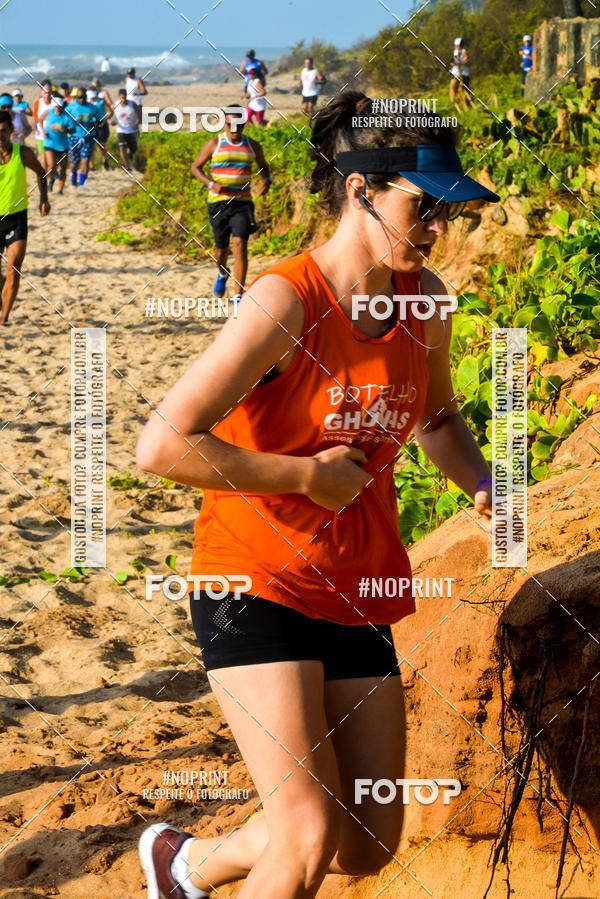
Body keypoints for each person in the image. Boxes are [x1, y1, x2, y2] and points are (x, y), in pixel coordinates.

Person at [136, 90, 498, 898]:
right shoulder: (285, 301)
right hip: (253, 578)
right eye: (423, 207)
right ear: (360, 189)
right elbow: (161, 443)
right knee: (306, 833)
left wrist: (482, 482)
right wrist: (305, 475)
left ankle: (184, 863)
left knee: (363, 841)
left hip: (356, 584)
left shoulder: (426, 303)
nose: (438, 229)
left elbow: (438, 419)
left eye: (447, 211)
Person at [190, 108, 271, 303]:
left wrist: (266, 180)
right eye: (230, 124)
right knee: (220, 251)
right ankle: (222, 273)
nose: (235, 128)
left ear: (244, 124)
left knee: (240, 244)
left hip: (242, 203)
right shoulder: (215, 143)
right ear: (224, 124)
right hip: (218, 204)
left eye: (239, 125)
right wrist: (211, 184)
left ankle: (237, 296)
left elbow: (263, 165)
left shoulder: (252, 145)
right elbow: (196, 167)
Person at [0, 110, 50, 325]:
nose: (0, 136)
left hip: (16, 219)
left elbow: (41, 172)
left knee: (13, 270)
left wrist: (43, 199)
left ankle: (4, 320)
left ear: (11, 131)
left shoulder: (23, 153)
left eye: (3, 131)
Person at [67, 87, 98, 187]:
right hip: (74, 137)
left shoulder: (93, 108)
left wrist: (93, 122)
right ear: (76, 97)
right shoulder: (70, 106)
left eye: (84, 97)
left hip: (88, 137)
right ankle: (73, 178)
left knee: (85, 161)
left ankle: (81, 185)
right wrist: (74, 122)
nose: (82, 99)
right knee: (74, 162)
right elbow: (65, 120)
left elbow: (99, 121)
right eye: (80, 97)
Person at [43, 95, 73, 193]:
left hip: (63, 145)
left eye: (59, 106)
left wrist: (66, 129)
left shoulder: (67, 116)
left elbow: (73, 130)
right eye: (56, 106)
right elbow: (39, 119)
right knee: (52, 165)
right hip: (49, 143)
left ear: (62, 106)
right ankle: (50, 179)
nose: (57, 108)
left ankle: (60, 190)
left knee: (63, 168)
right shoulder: (48, 112)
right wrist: (42, 130)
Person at [112, 88, 141, 170]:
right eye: (121, 98)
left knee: (133, 149)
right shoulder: (115, 105)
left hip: (132, 130)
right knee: (122, 148)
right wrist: (112, 121)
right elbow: (110, 116)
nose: (123, 99)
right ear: (119, 97)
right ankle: (127, 167)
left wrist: (136, 123)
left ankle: (130, 154)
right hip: (121, 130)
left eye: (124, 97)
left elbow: (140, 114)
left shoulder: (132, 104)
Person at [89, 86, 111, 170]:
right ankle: (92, 166)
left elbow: (109, 112)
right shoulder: (87, 102)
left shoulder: (101, 101)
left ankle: (105, 160)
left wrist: (104, 120)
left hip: (102, 125)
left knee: (101, 145)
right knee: (91, 146)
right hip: (91, 125)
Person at [32, 79, 54, 158]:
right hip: (40, 134)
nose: (47, 95)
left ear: (51, 92)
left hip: (53, 135)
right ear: (41, 92)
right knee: (43, 158)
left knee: (52, 158)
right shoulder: (38, 102)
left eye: (49, 92)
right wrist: (34, 127)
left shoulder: (55, 103)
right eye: (45, 92)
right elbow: (35, 117)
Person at [449, 38, 471, 106]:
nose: (455, 46)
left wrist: (460, 63)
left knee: (454, 86)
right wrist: (452, 66)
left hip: (462, 73)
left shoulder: (463, 51)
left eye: (457, 45)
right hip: (457, 72)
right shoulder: (455, 52)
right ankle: (454, 102)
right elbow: (453, 62)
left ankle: (466, 102)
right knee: (454, 87)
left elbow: (465, 60)